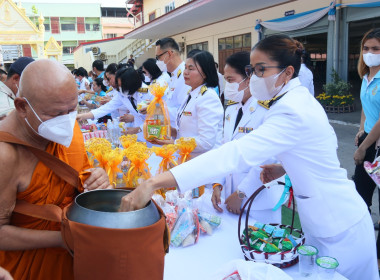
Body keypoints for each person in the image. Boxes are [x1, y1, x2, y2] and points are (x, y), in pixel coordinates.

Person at [120, 35, 378, 280]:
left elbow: (235, 153)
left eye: (260, 70)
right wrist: (284, 167)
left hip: (340, 226)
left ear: (288, 72)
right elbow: (321, 148)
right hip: (322, 221)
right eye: (252, 70)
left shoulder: (292, 109)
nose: (253, 77)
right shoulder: (292, 100)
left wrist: (155, 183)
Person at [0, 59, 111, 280]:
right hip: (30, 264)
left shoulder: (65, 125)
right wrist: (62, 238)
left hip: (76, 252)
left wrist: (97, 179)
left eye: (72, 109)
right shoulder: (5, 154)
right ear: (22, 106)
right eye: (56, 114)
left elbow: (80, 176)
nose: (67, 120)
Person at [211, 51, 283, 223]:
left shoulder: (268, 110)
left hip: (259, 201)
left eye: (230, 80)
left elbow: (267, 158)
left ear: (249, 79)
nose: (227, 86)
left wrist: (242, 193)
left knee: (259, 246)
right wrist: (217, 183)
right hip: (230, 197)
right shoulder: (231, 109)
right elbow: (223, 148)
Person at [150, 50, 224, 158]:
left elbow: (206, 142)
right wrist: (167, 130)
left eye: (191, 68)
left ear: (204, 72)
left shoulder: (208, 97)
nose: (185, 72)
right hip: (188, 159)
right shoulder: (191, 94)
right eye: (185, 67)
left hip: (203, 162)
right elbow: (184, 132)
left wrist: (173, 144)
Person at [353, 28, 380, 264]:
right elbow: (365, 106)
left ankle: (378, 259)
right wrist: (361, 129)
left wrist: (364, 147)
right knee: (360, 196)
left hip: (377, 146)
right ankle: (361, 246)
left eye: (376, 49)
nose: (369, 53)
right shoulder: (366, 77)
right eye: (366, 48)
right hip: (368, 140)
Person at [77, 67, 153, 141]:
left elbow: (157, 119)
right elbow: (106, 108)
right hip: (138, 135)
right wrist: (82, 116)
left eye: (121, 86)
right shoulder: (123, 93)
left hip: (153, 134)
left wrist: (138, 129)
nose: (119, 89)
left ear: (130, 83)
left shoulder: (149, 93)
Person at [155, 37, 191, 128]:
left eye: (158, 57)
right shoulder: (173, 76)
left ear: (169, 54)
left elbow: (185, 112)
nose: (157, 61)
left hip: (181, 132)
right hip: (172, 132)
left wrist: (158, 110)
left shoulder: (185, 75)